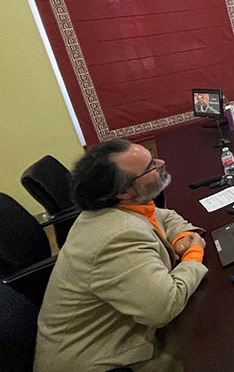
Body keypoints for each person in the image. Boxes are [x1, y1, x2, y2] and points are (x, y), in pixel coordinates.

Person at [35, 139, 207, 371]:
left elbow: (162, 215)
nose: (161, 163)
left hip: (115, 333)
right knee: (215, 339)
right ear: (123, 191)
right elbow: (164, 307)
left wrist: (181, 236)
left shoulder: (112, 207)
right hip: (105, 361)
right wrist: (194, 254)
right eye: (150, 167)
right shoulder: (118, 236)